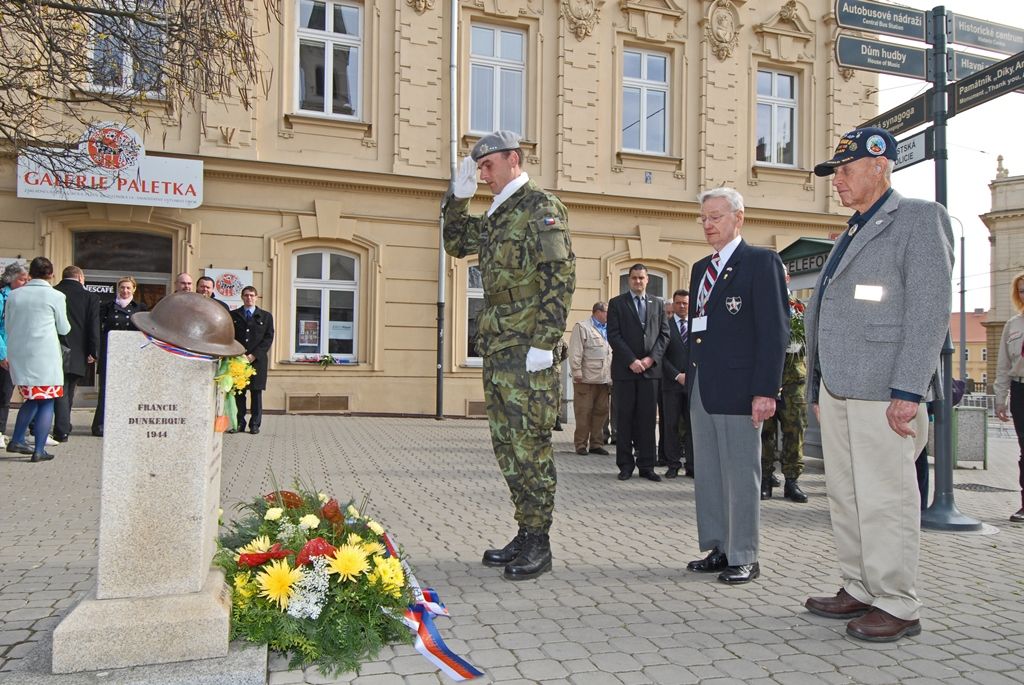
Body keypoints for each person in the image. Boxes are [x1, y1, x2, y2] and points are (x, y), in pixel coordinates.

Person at [804, 127, 953, 642]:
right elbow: (827, 313)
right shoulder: (850, 229)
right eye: (835, 173)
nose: (838, 182)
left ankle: (897, 602)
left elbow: (930, 311)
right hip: (841, 390)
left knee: (886, 497)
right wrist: (817, 386)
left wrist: (909, 390)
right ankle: (861, 586)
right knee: (846, 495)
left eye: (845, 171)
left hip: (885, 391)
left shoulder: (917, 218)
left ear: (879, 165)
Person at [443, 130, 575, 581]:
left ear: (513, 160)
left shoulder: (541, 207)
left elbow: (559, 277)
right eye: (478, 169)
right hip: (499, 343)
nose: (482, 175)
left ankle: (540, 542)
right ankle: (525, 529)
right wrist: (457, 198)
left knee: (531, 444)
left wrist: (546, 341)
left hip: (528, 345)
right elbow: (456, 243)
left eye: (487, 166)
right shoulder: (498, 214)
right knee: (506, 444)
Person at [685, 187, 789, 585]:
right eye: (704, 218)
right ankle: (719, 546)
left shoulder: (760, 262)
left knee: (741, 474)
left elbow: (774, 331)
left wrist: (767, 390)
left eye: (716, 217)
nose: (709, 225)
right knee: (709, 472)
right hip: (703, 386)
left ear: (738, 218)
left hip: (742, 388)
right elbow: (699, 329)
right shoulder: (699, 269)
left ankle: (745, 553)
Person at [3, 257, 71, 462]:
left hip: (20, 355)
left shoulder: (14, 296)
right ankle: (39, 449)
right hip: (44, 356)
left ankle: (16, 440)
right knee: (47, 401)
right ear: (51, 274)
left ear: (30, 273)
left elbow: (7, 325)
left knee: (32, 399)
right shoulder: (56, 296)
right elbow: (64, 328)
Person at [607, 264, 669, 482]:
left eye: (641, 278)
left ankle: (647, 465)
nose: (638, 282)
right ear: (629, 280)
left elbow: (664, 335)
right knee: (624, 419)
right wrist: (632, 360)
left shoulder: (658, 303)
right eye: (634, 278)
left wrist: (650, 359)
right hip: (626, 371)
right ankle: (625, 465)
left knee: (647, 420)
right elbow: (613, 335)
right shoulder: (617, 304)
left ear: (647, 279)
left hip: (650, 372)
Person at [760, 266, 808, 502]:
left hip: (793, 379)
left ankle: (792, 480)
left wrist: (800, 345)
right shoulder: (760, 305)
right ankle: (766, 478)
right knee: (764, 432)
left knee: (794, 430)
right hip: (767, 379)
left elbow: (811, 336)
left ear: (788, 278)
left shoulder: (799, 307)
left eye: (782, 276)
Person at [91, 276, 147, 437]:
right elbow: (98, 330)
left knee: (129, 391)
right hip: (110, 353)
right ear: (118, 288)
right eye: (122, 287)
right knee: (106, 391)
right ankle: (100, 425)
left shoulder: (140, 308)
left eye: (128, 288)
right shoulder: (107, 307)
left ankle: (126, 424)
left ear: (134, 289)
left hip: (131, 356)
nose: (125, 291)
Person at [53, 266, 101, 442]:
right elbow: (93, 327)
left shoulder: (53, 292)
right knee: (68, 390)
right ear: (81, 278)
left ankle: (60, 426)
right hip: (78, 352)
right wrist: (93, 351)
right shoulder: (90, 297)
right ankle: (62, 428)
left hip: (53, 349)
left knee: (57, 390)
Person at [993, 271, 1024, 524]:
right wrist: (1000, 398)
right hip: (1020, 389)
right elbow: (1003, 365)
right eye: (1021, 289)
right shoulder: (1013, 325)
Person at [568, 302, 612, 456]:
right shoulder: (582, 327)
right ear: (597, 312)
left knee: (601, 412)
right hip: (585, 379)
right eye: (607, 312)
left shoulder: (609, 329)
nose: (609, 315)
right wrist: (576, 371)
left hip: (604, 379)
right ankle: (580, 444)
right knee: (583, 412)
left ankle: (596, 444)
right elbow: (575, 351)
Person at [230, 286, 274, 434]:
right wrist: (238, 354)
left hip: (257, 361)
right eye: (246, 295)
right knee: (239, 394)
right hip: (238, 360)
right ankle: (239, 423)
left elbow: (268, 339)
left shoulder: (266, 316)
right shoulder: (234, 315)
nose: (249, 298)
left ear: (256, 297)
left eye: (252, 295)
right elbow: (230, 336)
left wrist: (254, 355)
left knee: (256, 394)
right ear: (242, 297)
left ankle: (254, 424)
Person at [660, 289, 693, 479]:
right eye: (678, 303)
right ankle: (672, 464)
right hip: (671, 384)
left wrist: (690, 375)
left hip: (692, 384)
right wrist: (676, 375)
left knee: (691, 426)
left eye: (685, 303)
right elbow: (660, 355)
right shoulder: (665, 325)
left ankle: (692, 464)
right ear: (673, 304)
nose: (681, 306)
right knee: (670, 425)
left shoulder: (697, 326)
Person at [0, 262, 30, 447]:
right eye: (21, 279)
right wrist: (3, 354)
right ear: (10, 279)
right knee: (3, 394)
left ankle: (1, 430)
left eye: (27, 279)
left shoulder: (23, 297)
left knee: (6, 394)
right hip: (5, 353)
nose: (25, 282)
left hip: (15, 352)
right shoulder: (3, 298)